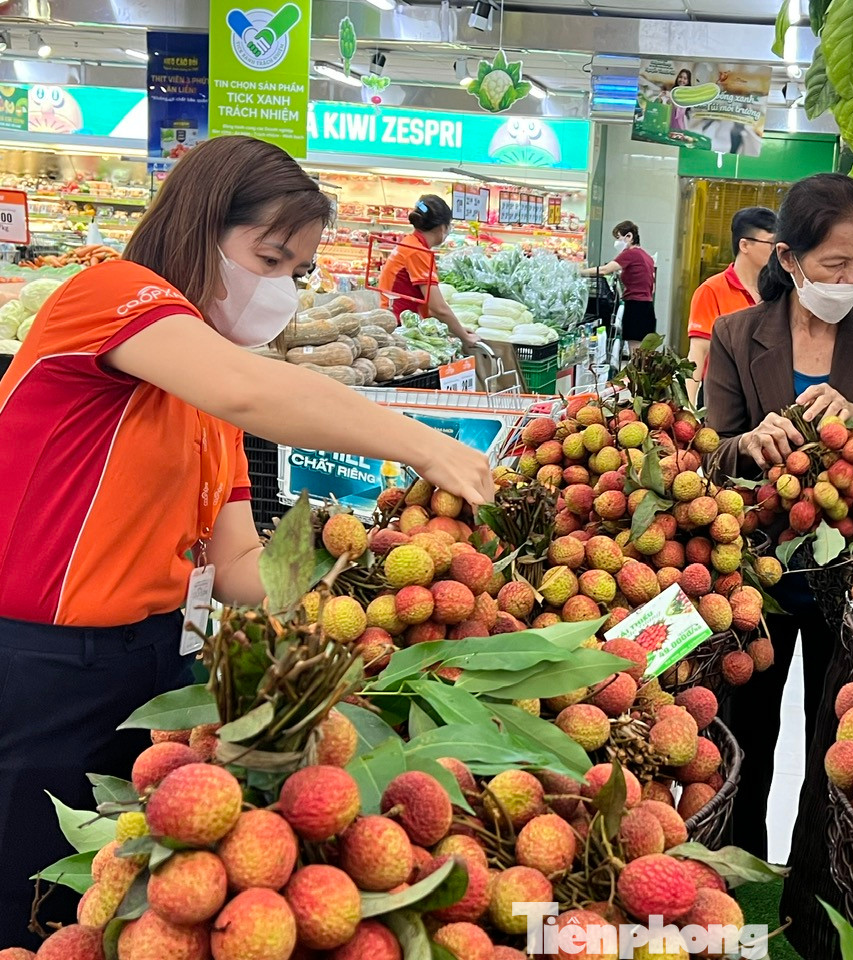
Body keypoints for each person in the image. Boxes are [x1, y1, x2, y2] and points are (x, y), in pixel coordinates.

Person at [0, 136, 494, 949]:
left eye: (297, 272)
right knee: (27, 889)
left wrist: (359, 566)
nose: (282, 290)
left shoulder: (207, 401)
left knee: (117, 908)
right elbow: (252, 390)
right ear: (199, 227)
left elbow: (233, 568)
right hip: (43, 664)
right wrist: (424, 444)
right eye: (270, 258)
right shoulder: (108, 294)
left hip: (160, 666)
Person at [702, 172, 853, 959]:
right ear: (792, 258)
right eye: (834, 264)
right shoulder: (739, 335)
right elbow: (711, 452)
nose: (850, 280)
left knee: (837, 746)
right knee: (747, 738)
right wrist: (747, 445)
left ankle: (815, 913)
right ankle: (730, 907)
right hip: (757, 576)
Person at [686, 205, 775, 394]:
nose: (777, 251)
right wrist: (689, 407)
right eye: (771, 244)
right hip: (723, 394)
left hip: (767, 392)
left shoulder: (777, 291)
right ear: (744, 245)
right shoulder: (712, 290)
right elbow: (699, 352)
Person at [378, 193, 478, 346]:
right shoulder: (418, 252)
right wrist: (466, 338)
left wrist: (457, 330)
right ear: (443, 227)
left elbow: (431, 308)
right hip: (400, 328)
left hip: (394, 321)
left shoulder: (410, 243)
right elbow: (437, 308)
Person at [579, 220, 657, 354]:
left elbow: (604, 270)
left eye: (618, 237)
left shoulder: (630, 254)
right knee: (643, 353)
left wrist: (578, 272)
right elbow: (652, 287)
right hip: (647, 308)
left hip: (636, 307)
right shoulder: (647, 256)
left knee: (635, 352)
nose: (617, 242)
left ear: (629, 237)